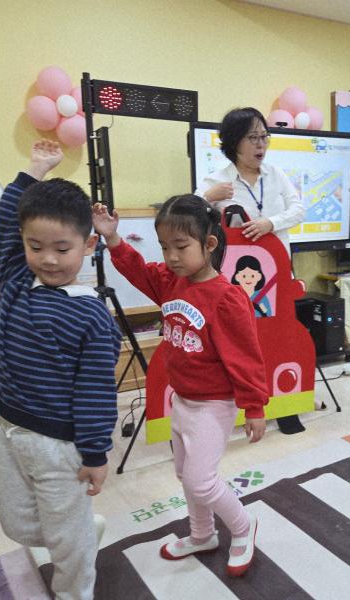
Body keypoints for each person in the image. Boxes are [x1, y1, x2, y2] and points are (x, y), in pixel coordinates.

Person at [92, 194, 268, 577]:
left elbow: (246, 358)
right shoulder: (171, 282)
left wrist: (254, 407)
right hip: (183, 401)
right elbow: (138, 270)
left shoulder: (227, 299)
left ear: (209, 243)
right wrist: (113, 239)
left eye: (181, 246)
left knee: (201, 482)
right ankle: (202, 534)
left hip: (214, 405)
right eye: (164, 247)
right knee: (185, 475)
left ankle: (243, 526)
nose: (171, 256)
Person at [0, 140, 121, 599]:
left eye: (62, 248)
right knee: (17, 526)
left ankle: (75, 588)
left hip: (57, 446)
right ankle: (80, 534)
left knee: (64, 539)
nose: (49, 259)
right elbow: (6, 219)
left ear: (89, 245)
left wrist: (95, 455)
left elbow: (96, 394)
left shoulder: (93, 316)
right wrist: (34, 170)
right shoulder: (18, 279)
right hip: (5, 428)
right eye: (35, 246)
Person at [196, 107, 305, 252]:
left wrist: (271, 223)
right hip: (237, 262)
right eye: (253, 137)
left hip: (279, 259)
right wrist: (208, 197)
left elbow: (298, 211)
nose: (261, 144)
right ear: (234, 142)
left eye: (264, 137)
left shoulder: (276, 174)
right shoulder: (216, 180)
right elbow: (188, 217)